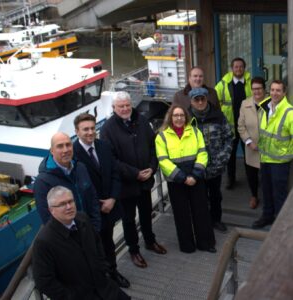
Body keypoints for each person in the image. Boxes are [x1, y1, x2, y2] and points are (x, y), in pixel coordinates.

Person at [100, 91, 167, 268]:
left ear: (131, 105)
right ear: (114, 108)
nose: (124, 109)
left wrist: (152, 167)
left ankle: (150, 241)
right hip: (126, 186)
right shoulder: (107, 129)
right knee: (129, 220)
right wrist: (134, 173)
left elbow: (154, 146)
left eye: (127, 105)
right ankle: (134, 250)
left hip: (145, 182)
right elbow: (112, 160)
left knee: (146, 214)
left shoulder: (142, 121)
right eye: (120, 106)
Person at [33, 186, 130, 300]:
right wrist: (70, 297)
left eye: (70, 201)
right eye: (62, 204)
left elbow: (97, 243)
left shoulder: (82, 218)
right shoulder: (44, 241)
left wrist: (103, 269)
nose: (69, 207)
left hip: (103, 286)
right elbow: (44, 281)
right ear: (51, 210)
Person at [73, 113, 130, 288]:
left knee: (108, 243)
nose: (90, 132)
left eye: (92, 128)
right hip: (90, 213)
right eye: (85, 129)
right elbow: (77, 186)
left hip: (109, 207)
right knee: (92, 249)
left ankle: (113, 272)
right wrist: (99, 204)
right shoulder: (73, 153)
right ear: (77, 131)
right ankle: (100, 279)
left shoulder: (103, 146)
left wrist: (112, 198)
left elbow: (114, 174)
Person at [155, 104, 216, 253]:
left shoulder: (195, 132)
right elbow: (163, 161)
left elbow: (203, 154)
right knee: (181, 214)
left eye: (182, 115)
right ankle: (187, 245)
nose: (179, 118)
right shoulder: (161, 136)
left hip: (196, 178)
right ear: (170, 117)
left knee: (201, 211)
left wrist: (195, 175)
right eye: (176, 115)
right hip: (176, 181)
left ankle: (205, 243)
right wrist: (182, 177)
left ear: (186, 117)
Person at [34, 132, 101, 232]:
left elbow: (93, 198)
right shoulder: (43, 182)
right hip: (69, 239)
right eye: (60, 146)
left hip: (91, 231)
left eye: (68, 145)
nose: (65, 150)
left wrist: (95, 228)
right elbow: (47, 218)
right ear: (52, 151)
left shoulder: (80, 168)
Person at [188, 87, 233, 233]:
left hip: (215, 166)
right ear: (191, 101)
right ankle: (203, 222)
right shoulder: (186, 118)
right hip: (196, 168)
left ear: (207, 99)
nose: (200, 102)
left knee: (215, 196)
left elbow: (228, 138)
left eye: (202, 99)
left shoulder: (218, 116)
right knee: (200, 198)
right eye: (197, 99)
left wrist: (222, 158)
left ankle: (216, 220)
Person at [252, 80, 293, 229]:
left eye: (278, 90)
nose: (275, 93)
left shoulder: (289, 112)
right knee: (266, 190)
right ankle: (267, 216)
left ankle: (280, 223)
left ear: (284, 93)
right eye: (273, 90)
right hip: (265, 158)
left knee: (279, 193)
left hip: (280, 161)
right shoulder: (265, 107)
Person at [215, 57, 252, 189]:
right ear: (232, 68)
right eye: (236, 67)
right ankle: (231, 180)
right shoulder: (223, 84)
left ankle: (252, 179)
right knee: (230, 155)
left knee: (250, 155)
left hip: (246, 126)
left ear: (244, 68)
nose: (238, 69)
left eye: (241, 66)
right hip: (230, 126)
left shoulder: (250, 82)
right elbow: (214, 100)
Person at [238, 77, 266, 209]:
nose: (257, 91)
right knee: (252, 174)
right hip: (251, 147)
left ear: (264, 89)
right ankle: (254, 196)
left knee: (267, 174)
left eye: (259, 88)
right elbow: (241, 126)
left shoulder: (272, 103)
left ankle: (268, 197)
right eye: (254, 89)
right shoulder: (245, 103)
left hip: (268, 148)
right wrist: (249, 142)